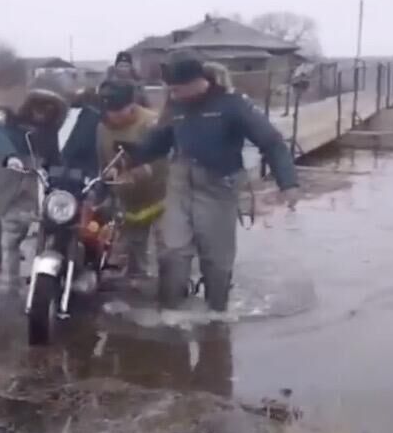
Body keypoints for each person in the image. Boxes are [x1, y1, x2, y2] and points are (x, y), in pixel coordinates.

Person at [130, 51, 299, 312]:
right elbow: (159, 142)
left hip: (218, 186)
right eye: (170, 89)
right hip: (180, 184)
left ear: (196, 81)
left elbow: (271, 142)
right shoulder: (175, 106)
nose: (172, 94)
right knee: (173, 252)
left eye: (176, 88)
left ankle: (217, 317)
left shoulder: (232, 104)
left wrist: (288, 183)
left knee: (216, 261)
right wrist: (130, 156)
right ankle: (171, 314)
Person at [0, 88, 69, 282]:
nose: (43, 112)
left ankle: (9, 288)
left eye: (49, 109)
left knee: (12, 237)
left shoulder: (48, 135)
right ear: (29, 105)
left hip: (24, 190)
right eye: (39, 106)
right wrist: (11, 156)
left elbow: (54, 164)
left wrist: (62, 188)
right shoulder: (5, 118)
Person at [95, 79, 167, 278]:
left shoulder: (152, 123)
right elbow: (102, 162)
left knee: (167, 247)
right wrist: (106, 179)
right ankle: (136, 282)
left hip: (161, 197)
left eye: (121, 112)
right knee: (132, 249)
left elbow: (162, 162)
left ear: (132, 105)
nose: (116, 118)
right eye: (112, 113)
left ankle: (170, 288)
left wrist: (136, 174)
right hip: (128, 201)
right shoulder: (102, 128)